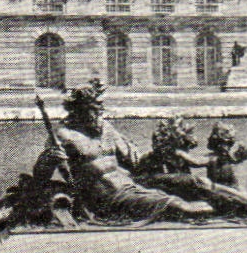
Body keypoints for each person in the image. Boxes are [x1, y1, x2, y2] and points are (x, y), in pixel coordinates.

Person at [35, 86, 213, 224]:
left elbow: (136, 162)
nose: (96, 115)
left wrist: (163, 152)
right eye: (90, 110)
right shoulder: (63, 136)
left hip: (131, 187)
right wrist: (48, 159)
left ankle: (237, 208)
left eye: (98, 109)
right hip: (104, 199)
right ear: (76, 110)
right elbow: (40, 176)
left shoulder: (106, 129)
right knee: (179, 205)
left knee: (196, 190)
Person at [132, 117, 247, 221]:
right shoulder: (165, 154)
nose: (191, 140)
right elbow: (195, 165)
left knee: (220, 188)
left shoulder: (177, 154)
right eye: (186, 136)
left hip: (167, 184)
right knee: (204, 184)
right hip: (152, 185)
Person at [204, 123, 247, 188]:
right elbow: (197, 162)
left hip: (230, 184)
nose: (225, 148)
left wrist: (246, 152)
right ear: (216, 145)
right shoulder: (211, 158)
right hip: (218, 187)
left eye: (228, 145)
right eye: (222, 145)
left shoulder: (228, 156)